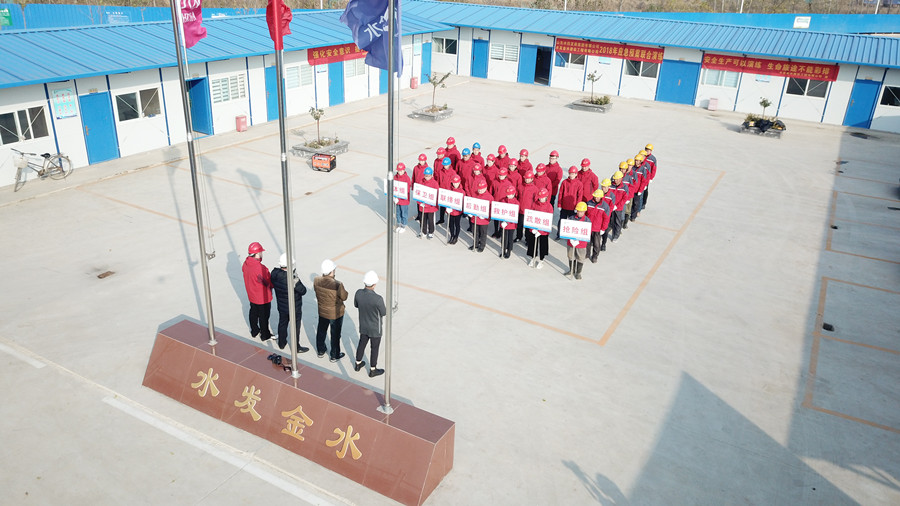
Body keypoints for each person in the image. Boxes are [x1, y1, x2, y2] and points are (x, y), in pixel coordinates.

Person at [271, 253, 309, 352]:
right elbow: (303, 291)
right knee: (295, 327)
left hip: (282, 305)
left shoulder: (274, 274)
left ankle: (281, 343)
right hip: (294, 307)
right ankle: (296, 347)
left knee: (282, 323)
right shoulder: (291, 279)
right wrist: (296, 279)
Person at [353, 271, 387, 377]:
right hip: (375, 328)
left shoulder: (358, 293)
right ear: (374, 284)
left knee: (362, 344)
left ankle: (358, 363)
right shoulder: (378, 299)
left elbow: (356, 305)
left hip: (363, 325)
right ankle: (373, 369)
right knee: (374, 348)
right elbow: (384, 312)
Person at [314, 259, 348, 361]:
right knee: (335, 334)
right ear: (331, 271)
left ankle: (320, 350)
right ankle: (334, 355)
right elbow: (344, 296)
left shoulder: (316, 280)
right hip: (335, 313)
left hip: (322, 311)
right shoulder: (337, 284)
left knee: (321, 330)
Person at [242, 242, 273, 341]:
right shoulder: (260, 268)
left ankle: (254, 330)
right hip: (262, 297)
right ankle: (265, 335)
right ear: (257, 253)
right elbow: (267, 281)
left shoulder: (246, 264)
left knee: (253, 312)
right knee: (264, 316)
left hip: (251, 294)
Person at [527, 187, 552, 269]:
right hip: (534, 229)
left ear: (546, 197)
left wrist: (540, 231)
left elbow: (548, 220)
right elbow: (530, 215)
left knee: (543, 245)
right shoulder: (534, 204)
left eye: (543, 197)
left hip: (543, 231)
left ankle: (541, 260)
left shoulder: (549, 207)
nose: (541, 199)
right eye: (540, 197)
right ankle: (533, 258)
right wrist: (532, 229)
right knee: (532, 244)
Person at [564, 202, 590, 280]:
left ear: (584, 211)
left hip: (581, 244)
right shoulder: (571, 218)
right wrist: (570, 239)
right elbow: (566, 229)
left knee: (580, 257)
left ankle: (578, 273)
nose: (579, 213)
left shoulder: (587, 221)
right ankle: (571, 270)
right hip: (571, 242)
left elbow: (587, 233)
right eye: (578, 211)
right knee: (570, 256)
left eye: (581, 212)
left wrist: (579, 240)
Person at [556, 166, 582, 239]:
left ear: (576, 174)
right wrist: (559, 204)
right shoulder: (564, 182)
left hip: (573, 207)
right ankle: (559, 234)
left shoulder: (579, 184)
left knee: (572, 223)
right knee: (562, 221)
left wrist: (577, 207)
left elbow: (579, 196)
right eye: (570, 173)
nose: (571, 175)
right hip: (564, 206)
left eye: (573, 174)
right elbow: (560, 193)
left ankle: (571, 236)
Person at [585, 189, 611, 263]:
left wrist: (603, 228)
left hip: (597, 229)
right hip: (589, 227)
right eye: (595, 196)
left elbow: (606, 219)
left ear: (601, 197)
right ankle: (587, 254)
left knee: (596, 244)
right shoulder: (589, 203)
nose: (596, 198)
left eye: (598, 197)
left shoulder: (605, 206)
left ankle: (595, 256)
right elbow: (585, 214)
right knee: (587, 242)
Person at [469, 179, 493, 252]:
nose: (480, 190)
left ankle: (482, 245)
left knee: (483, 233)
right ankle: (475, 244)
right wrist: (469, 212)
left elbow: (491, 209)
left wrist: (487, 216)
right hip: (475, 218)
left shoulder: (489, 197)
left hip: (483, 220)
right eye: (479, 189)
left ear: (485, 188)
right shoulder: (475, 195)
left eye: (482, 189)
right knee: (475, 232)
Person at [490, 168, 513, 238]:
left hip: (503, 203)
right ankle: (495, 231)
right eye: (500, 175)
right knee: (496, 218)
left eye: (502, 175)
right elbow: (491, 191)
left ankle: (500, 231)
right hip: (496, 202)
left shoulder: (508, 184)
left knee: (502, 218)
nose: (501, 176)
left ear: (505, 175)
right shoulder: (495, 182)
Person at [418, 167, 439, 239]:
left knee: (430, 220)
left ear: (431, 175)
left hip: (431, 207)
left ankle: (431, 232)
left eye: (428, 176)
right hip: (423, 205)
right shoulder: (421, 182)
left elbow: (436, 194)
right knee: (423, 219)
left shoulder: (434, 183)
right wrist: (419, 202)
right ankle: (423, 231)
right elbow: (418, 193)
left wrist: (431, 203)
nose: (427, 177)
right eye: (425, 176)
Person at [608, 168, 629, 242]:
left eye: (617, 179)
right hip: (611, 207)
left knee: (617, 222)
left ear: (621, 179)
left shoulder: (624, 187)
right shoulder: (611, 185)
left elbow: (624, 199)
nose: (615, 180)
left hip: (618, 208)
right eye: (614, 179)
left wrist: (617, 206)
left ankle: (616, 236)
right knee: (610, 220)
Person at [516, 170, 537, 242]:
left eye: (528, 179)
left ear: (532, 179)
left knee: (528, 227)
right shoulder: (520, 186)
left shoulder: (535, 189)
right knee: (519, 225)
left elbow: (535, 201)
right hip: (520, 209)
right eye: (525, 178)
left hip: (529, 211)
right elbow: (516, 196)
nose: (527, 180)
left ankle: (527, 239)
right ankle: (518, 236)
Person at [498, 185, 518, 258]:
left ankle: (509, 251)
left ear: (514, 194)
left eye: (510, 194)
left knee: (510, 238)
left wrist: (508, 222)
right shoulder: (503, 201)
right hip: (503, 223)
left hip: (511, 224)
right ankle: (503, 250)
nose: (509, 196)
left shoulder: (516, 203)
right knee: (504, 238)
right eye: (507, 194)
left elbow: (514, 215)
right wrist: (502, 221)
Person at [437, 157, 458, 226]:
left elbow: (454, 183)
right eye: (444, 165)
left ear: (449, 164)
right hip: (442, 191)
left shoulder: (453, 172)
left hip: (449, 192)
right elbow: (438, 180)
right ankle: (441, 219)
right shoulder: (440, 171)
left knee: (449, 208)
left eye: (446, 165)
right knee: (442, 207)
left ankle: (449, 222)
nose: (445, 166)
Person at [446, 174, 464, 245]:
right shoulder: (449, 190)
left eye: (456, 183)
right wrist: (447, 208)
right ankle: (452, 235)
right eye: (454, 183)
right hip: (450, 211)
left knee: (457, 224)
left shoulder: (462, 192)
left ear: (459, 182)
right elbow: (446, 199)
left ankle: (456, 237)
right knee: (451, 224)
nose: (455, 184)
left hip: (457, 212)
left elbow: (463, 202)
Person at [394, 162, 411, 233]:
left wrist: (400, 197)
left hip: (404, 200)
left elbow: (407, 190)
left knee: (404, 213)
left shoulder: (407, 178)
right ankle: (399, 224)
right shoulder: (395, 177)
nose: (400, 172)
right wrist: (394, 197)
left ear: (404, 170)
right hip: (397, 200)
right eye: (398, 171)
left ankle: (403, 226)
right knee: (398, 213)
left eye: (401, 171)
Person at [642, 143, 657, 211]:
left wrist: (651, 178)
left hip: (647, 177)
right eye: (646, 149)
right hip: (641, 176)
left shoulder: (653, 159)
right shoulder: (642, 156)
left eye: (648, 150)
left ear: (651, 151)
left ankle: (643, 203)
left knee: (645, 190)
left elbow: (654, 169)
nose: (647, 151)